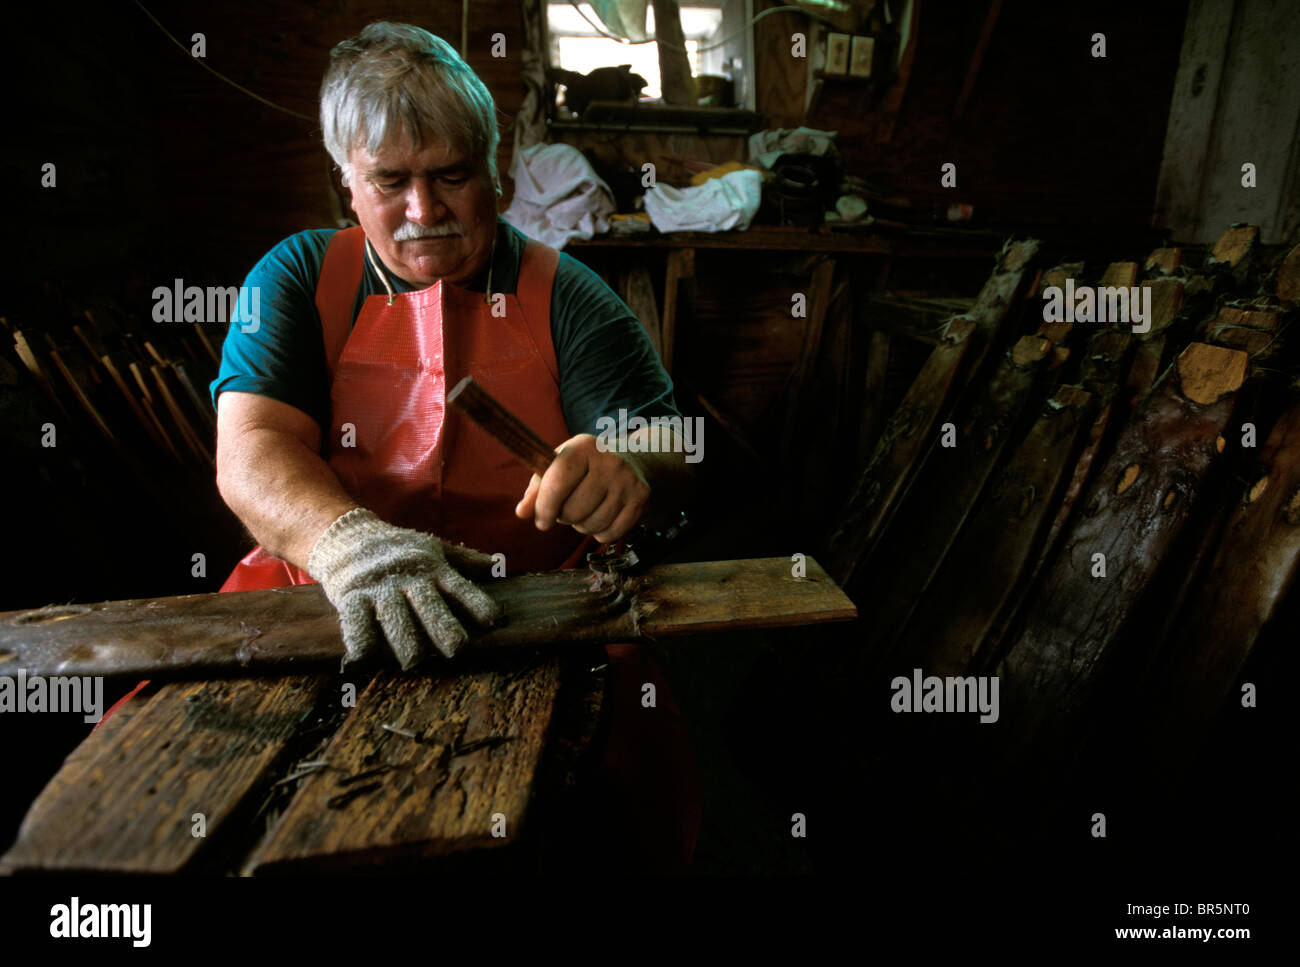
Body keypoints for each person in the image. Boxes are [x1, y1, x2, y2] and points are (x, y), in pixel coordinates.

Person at [118, 22, 701, 871]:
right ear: (346, 184)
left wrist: (634, 466)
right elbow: (251, 450)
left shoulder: (566, 291)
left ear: (497, 174)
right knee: (163, 793)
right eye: (390, 180)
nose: (423, 211)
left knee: (615, 805)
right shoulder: (294, 276)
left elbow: (671, 441)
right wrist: (346, 543)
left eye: (451, 176)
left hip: (532, 611)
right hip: (323, 593)